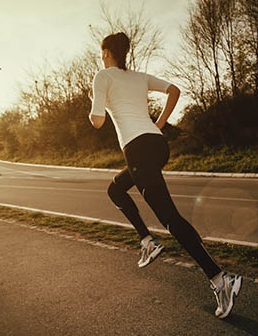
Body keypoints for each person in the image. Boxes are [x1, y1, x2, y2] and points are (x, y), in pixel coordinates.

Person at [89, 32, 242, 319]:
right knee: (116, 189)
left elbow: (97, 121)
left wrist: (94, 103)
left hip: (138, 150)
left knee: (170, 218)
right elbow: (174, 90)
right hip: (157, 145)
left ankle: (221, 279)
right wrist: (159, 122)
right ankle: (147, 241)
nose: (101, 57)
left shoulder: (103, 76)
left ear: (107, 52)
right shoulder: (138, 76)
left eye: (102, 52)